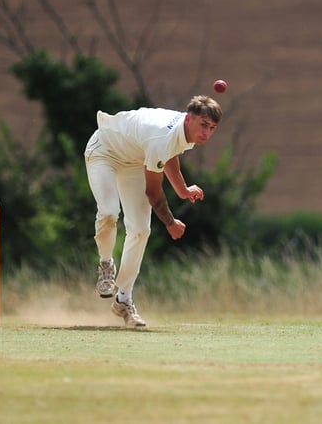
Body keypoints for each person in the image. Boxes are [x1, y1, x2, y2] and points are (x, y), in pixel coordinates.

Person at [84, 95, 223, 327]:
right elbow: (153, 193)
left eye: (212, 128)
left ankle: (123, 300)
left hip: (134, 160)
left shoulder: (181, 131)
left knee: (140, 230)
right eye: (203, 125)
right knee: (109, 213)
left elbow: (169, 155)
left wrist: (182, 189)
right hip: (104, 151)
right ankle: (106, 264)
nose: (207, 133)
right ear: (189, 119)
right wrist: (170, 223)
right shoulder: (164, 134)